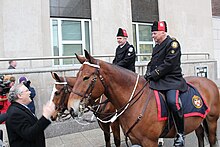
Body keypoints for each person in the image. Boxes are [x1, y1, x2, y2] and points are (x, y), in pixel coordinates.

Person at [144, 21, 187, 146]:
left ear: (163, 32)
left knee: (172, 102)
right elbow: (152, 62)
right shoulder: (156, 46)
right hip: (158, 79)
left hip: (172, 80)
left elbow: (169, 64)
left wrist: (153, 74)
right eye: (152, 33)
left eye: (155, 33)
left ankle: (180, 134)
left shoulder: (172, 44)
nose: (152, 36)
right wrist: (147, 73)